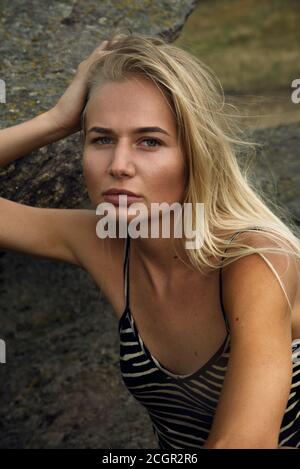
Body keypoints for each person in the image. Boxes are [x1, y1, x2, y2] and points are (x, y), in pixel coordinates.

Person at [0, 29, 300, 449]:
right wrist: (54, 120)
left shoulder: (256, 259)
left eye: (150, 141)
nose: (119, 165)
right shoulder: (103, 243)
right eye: (101, 139)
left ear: (195, 152)